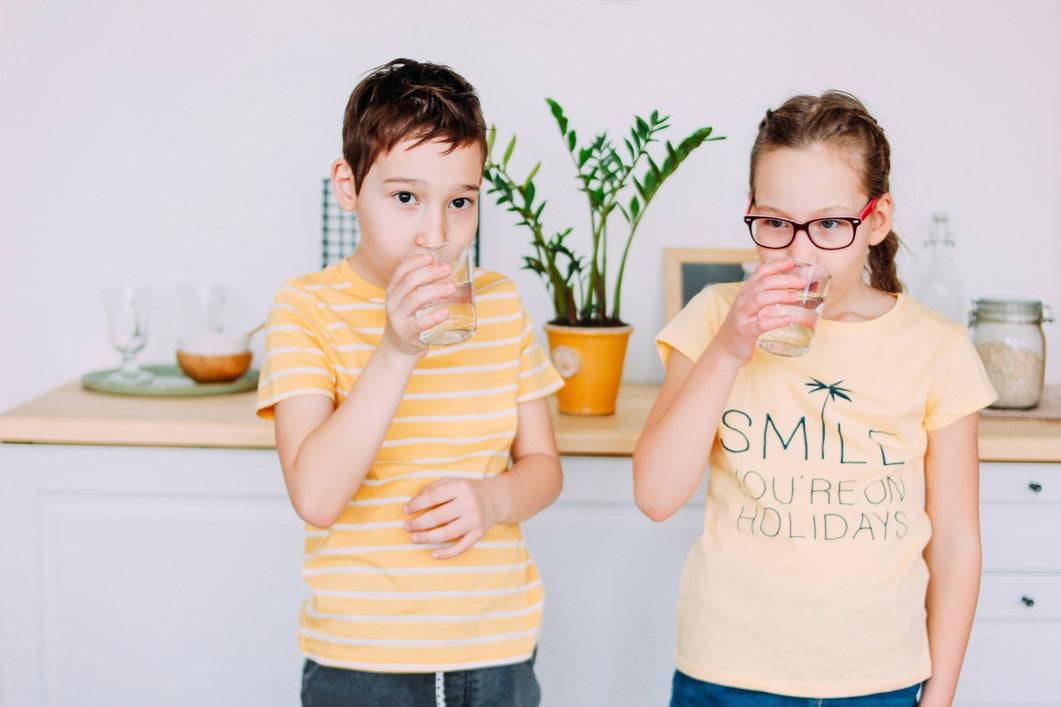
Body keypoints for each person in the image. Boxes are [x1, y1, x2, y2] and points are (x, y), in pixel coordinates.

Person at [632, 91, 996, 707]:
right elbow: (656, 496)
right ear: (752, 213)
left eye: (829, 224)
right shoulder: (712, 320)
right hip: (729, 672)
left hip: (880, 678)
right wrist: (727, 349)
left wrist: (940, 696)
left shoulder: (937, 348)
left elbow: (957, 542)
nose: (799, 251)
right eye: (776, 223)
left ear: (875, 221)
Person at [256, 58, 564, 707]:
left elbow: (542, 467)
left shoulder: (500, 304)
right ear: (348, 186)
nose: (436, 233)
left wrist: (492, 500)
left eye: (460, 202)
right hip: (361, 661)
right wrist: (396, 350)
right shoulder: (305, 309)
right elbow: (315, 495)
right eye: (404, 197)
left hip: (497, 650)